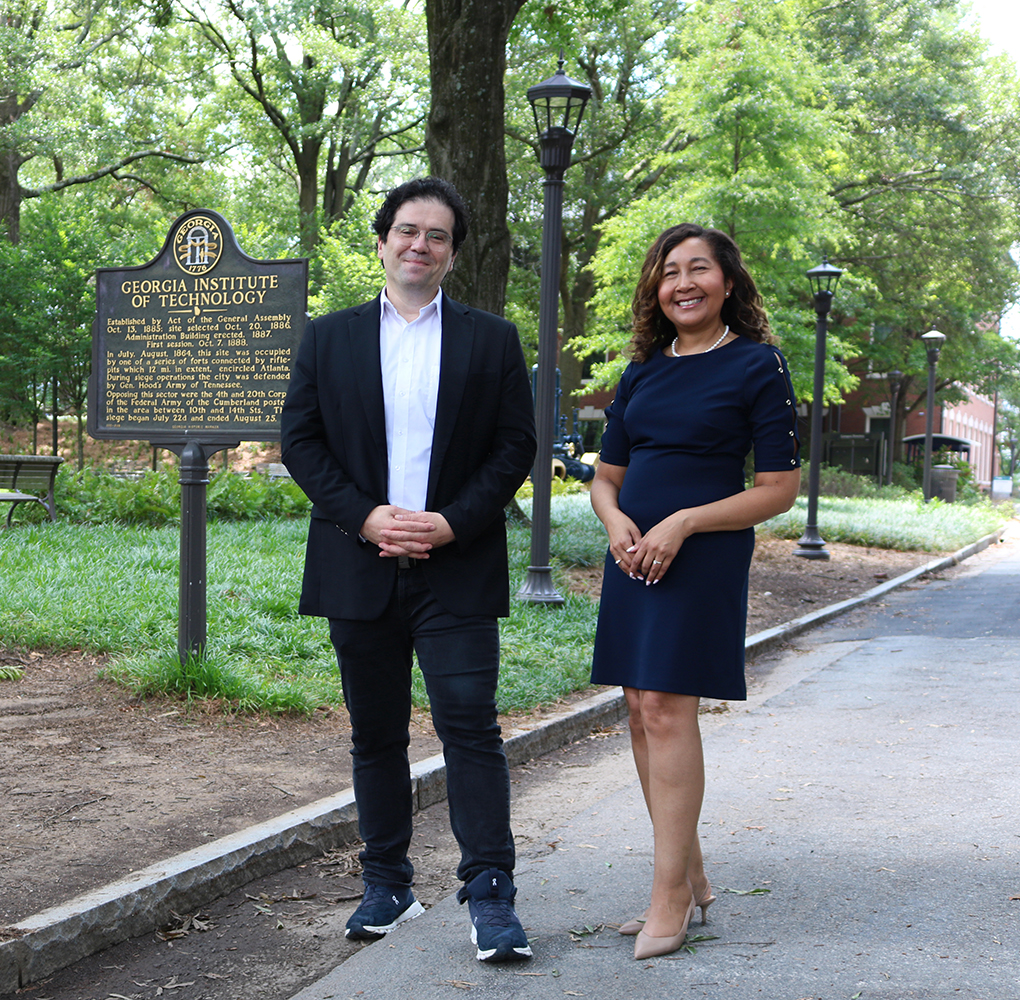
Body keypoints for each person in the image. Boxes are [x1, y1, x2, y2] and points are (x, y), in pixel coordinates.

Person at [280, 177, 538, 963]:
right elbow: (301, 441)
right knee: (375, 734)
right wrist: (365, 516)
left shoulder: (493, 340)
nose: (419, 245)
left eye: (437, 236)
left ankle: (490, 892)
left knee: (470, 728)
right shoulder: (329, 337)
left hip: (456, 567)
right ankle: (387, 883)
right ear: (383, 240)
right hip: (358, 564)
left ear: (453, 253)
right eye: (407, 231)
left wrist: (449, 522)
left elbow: (513, 446)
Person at [588, 223, 801, 960]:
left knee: (669, 710)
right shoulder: (642, 370)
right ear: (656, 288)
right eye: (669, 271)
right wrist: (617, 521)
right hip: (632, 558)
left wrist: (681, 522)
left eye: (699, 269)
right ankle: (690, 872)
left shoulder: (757, 366)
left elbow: (778, 491)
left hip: (700, 558)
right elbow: (606, 477)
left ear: (729, 283)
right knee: (641, 711)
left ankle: (667, 892)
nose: (683, 282)